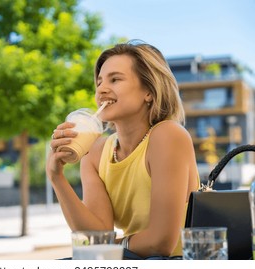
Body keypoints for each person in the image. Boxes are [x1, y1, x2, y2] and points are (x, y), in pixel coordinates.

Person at [46, 40, 200, 258]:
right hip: (131, 259)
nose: (102, 89)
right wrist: (56, 177)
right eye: (99, 82)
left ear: (149, 91)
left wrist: (110, 246)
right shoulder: (95, 152)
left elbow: (161, 243)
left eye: (115, 79)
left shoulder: (168, 135)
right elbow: (96, 236)